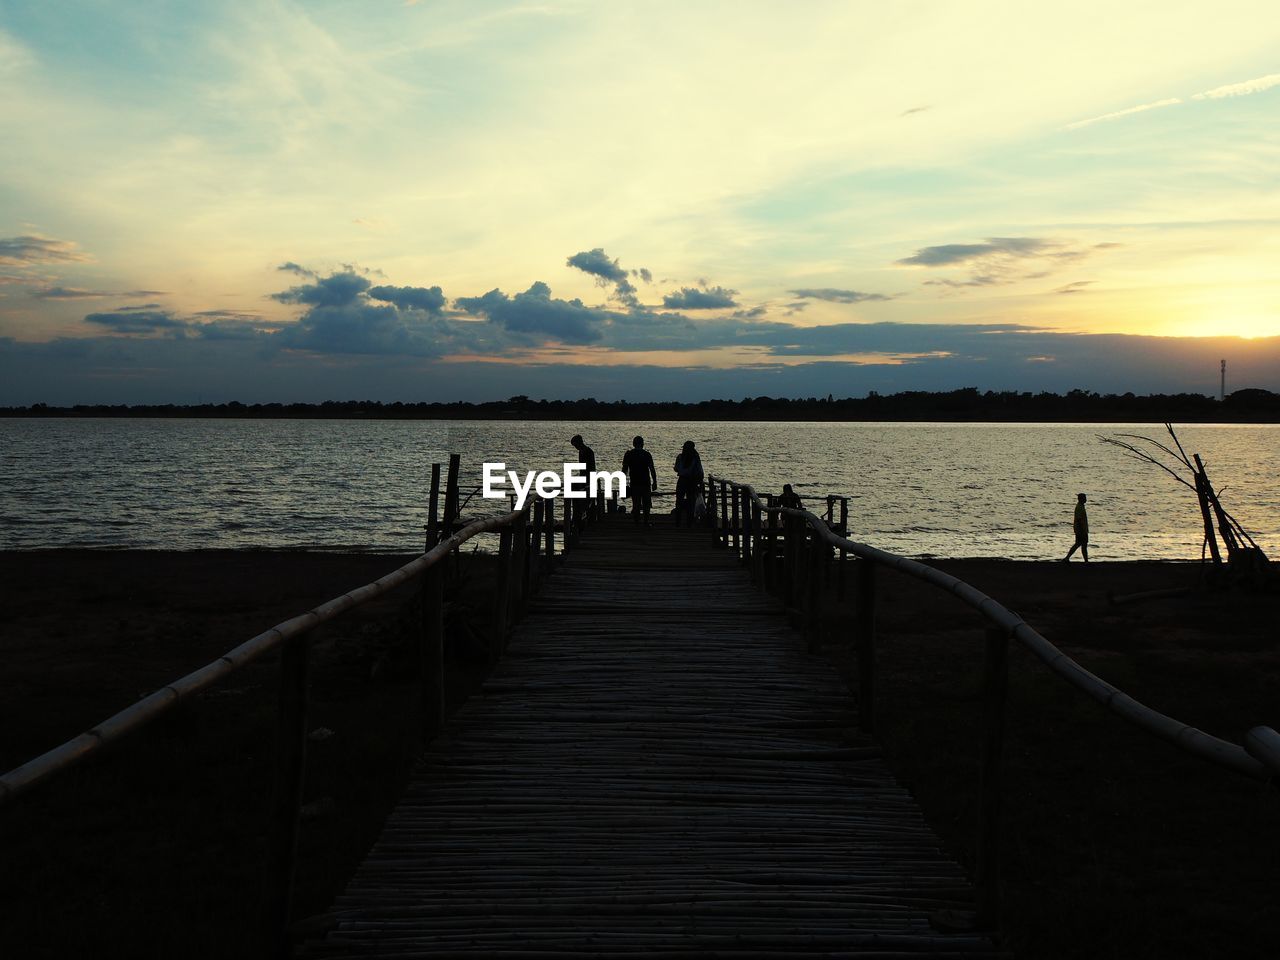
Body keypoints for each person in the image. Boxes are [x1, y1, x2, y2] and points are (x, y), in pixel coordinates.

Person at [621, 435, 657, 525]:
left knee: (636, 503)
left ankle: (636, 522)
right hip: (645, 482)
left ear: (633, 444)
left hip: (635, 482)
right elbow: (652, 469)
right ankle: (645, 521)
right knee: (646, 504)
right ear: (643, 444)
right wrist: (655, 482)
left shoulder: (629, 454)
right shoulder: (647, 454)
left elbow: (624, 469)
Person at [673, 440, 703, 527]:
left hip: (682, 480)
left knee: (679, 500)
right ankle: (689, 522)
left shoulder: (680, 457)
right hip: (692, 481)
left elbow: (676, 468)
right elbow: (699, 471)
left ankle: (678, 522)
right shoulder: (696, 458)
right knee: (691, 501)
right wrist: (700, 482)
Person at [570, 434, 598, 522]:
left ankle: (588, 518)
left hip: (589, 479)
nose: (576, 447)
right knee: (584, 501)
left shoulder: (588, 452)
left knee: (588, 500)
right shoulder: (582, 451)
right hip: (585, 478)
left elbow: (591, 468)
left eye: (575, 445)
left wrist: (588, 481)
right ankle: (582, 517)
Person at [1063, 492, 1089, 562]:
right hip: (1081, 530)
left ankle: (1067, 558)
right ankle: (1067, 558)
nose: (1086, 499)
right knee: (1081, 544)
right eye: (1084, 498)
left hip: (1081, 529)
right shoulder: (1079, 507)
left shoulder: (1080, 506)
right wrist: (1082, 530)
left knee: (1080, 544)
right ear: (1081, 499)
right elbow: (1079, 519)